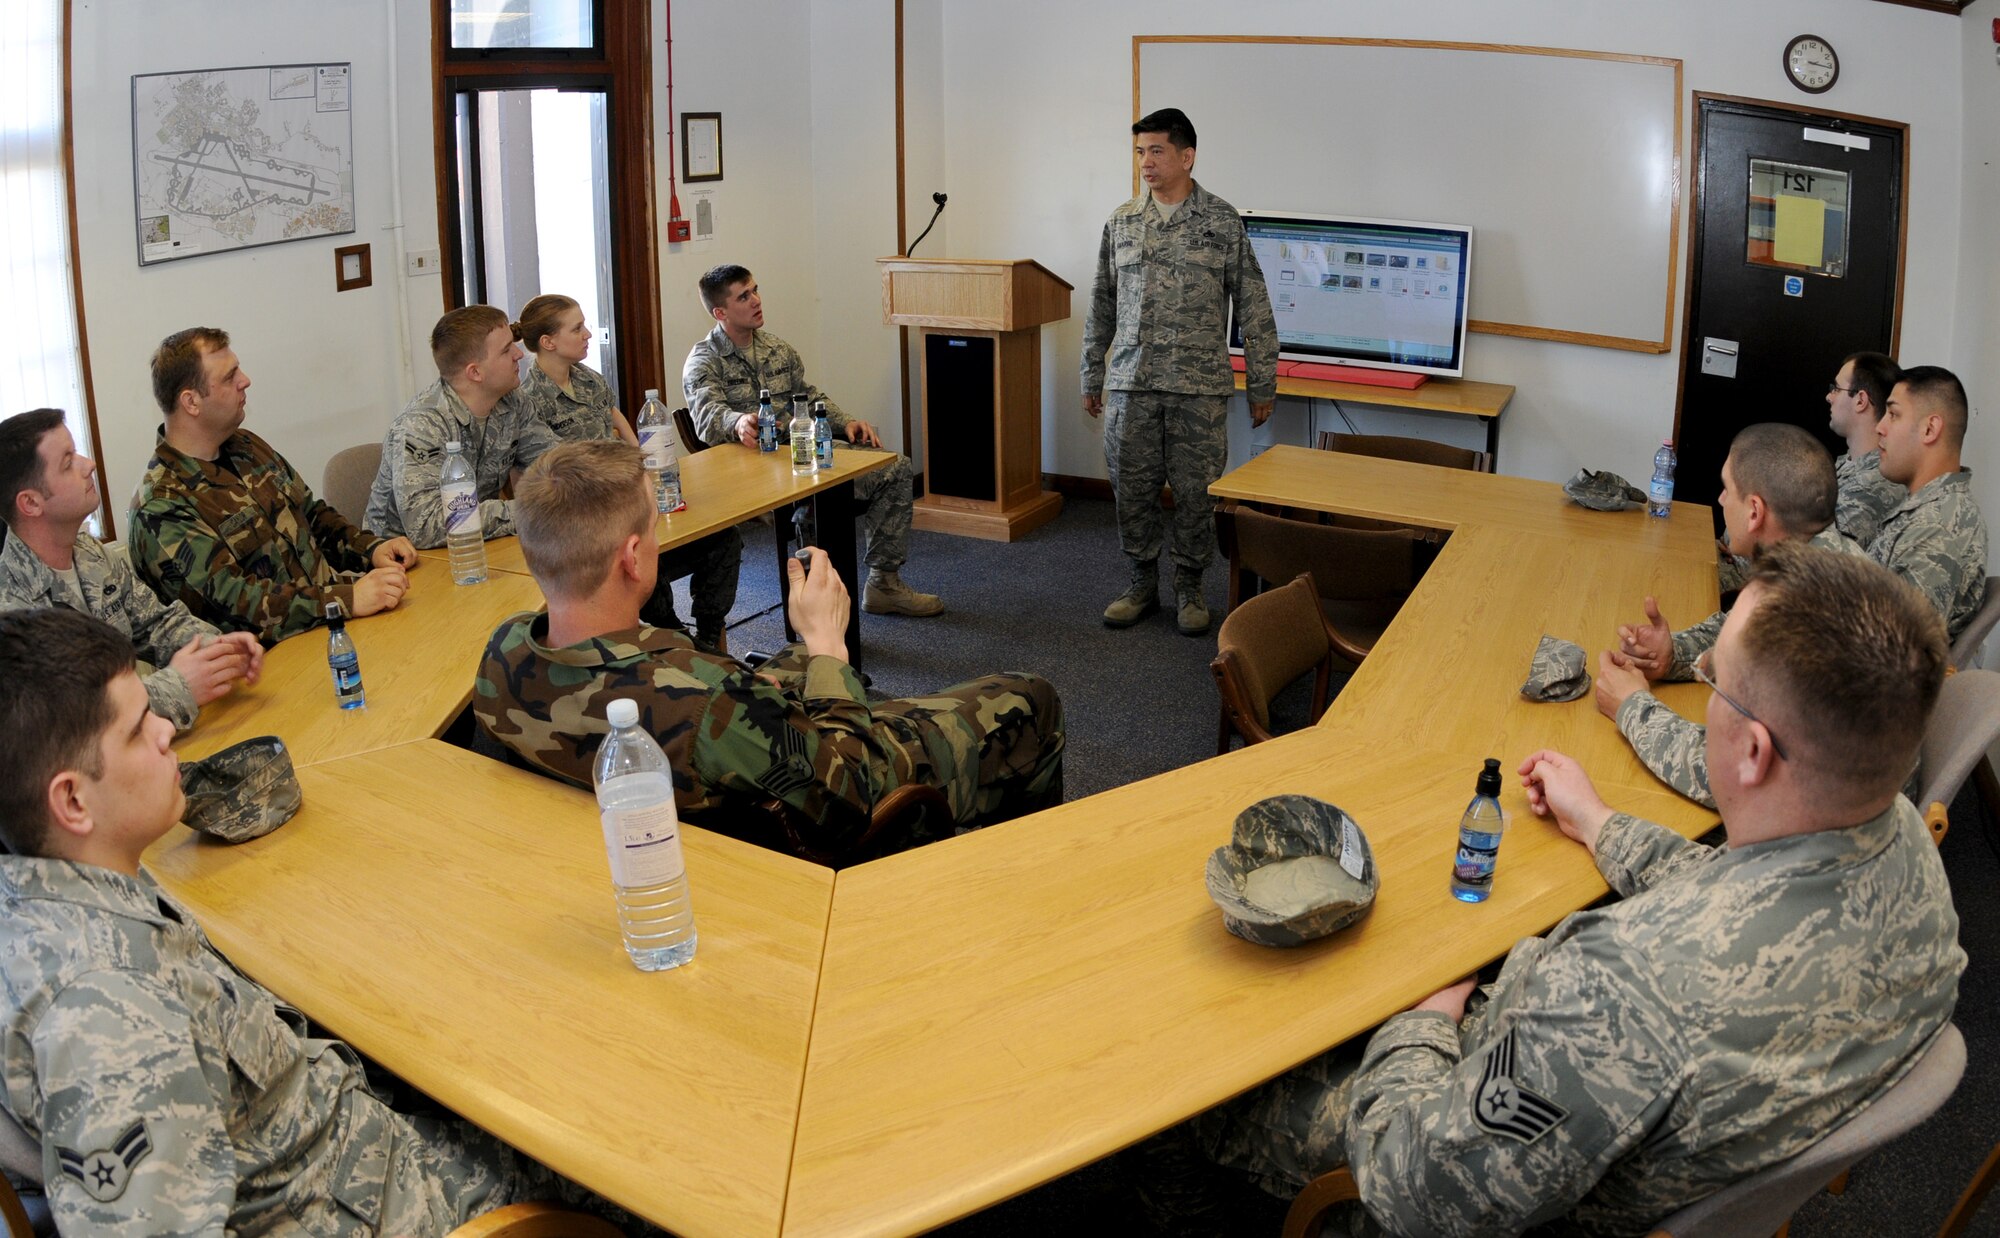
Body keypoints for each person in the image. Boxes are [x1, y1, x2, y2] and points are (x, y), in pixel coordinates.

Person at [1194, 543, 1962, 1235]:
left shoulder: (1624, 992)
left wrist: (1425, 1016)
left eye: (1712, 682)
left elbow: (1414, 1187)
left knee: (1208, 1075)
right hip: (1643, 1116)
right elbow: (1731, 899)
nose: (1704, 688)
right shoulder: (1901, 844)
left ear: (1753, 751)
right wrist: (1598, 823)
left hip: (1503, 1160)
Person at [0, 608, 643, 1236]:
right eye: (139, 729)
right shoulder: (105, 1008)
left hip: (339, 1132)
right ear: (73, 799)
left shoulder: (70, 885)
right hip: (365, 1198)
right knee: (630, 1171)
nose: (167, 731)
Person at [473, 441, 1064, 861]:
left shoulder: (504, 651)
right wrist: (829, 646)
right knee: (1030, 697)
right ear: (632, 556)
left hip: (675, 811)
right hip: (834, 801)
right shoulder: (709, 703)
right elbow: (849, 791)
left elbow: (701, 691)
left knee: (789, 664)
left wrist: (786, 674)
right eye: (655, 526)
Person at [1080, 106, 1278, 636]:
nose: (1146, 162)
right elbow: (1101, 302)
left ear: (1186, 156)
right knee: (1132, 488)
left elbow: (1254, 305)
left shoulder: (1221, 221)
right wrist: (1091, 376)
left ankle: (1190, 586)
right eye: (1140, 151)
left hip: (1198, 388)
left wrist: (1262, 381)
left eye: (1157, 150)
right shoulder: (1121, 222)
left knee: (1197, 493)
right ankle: (1140, 581)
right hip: (1132, 384)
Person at [1597, 423, 1865, 808]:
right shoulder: (1826, 561)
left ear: (1754, 511)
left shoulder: (1801, 618)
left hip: (1813, 836)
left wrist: (1631, 707)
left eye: (1727, 489)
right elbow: (1734, 627)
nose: (1721, 499)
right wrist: (1672, 654)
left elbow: (1731, 774)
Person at [128, 327, 421, 644]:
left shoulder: (245, 446)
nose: (245, 380)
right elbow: (233, 602)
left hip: (334, 629)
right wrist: (346, 600)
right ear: (191, 401)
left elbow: (311, 515)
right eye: (229, 377)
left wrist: (370, 549)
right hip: (270, 663)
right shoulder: (161, 505)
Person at [681, 264, 944, 618]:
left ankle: (883, 584)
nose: (757, 300)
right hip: (754, 465)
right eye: (744, 296)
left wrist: (845, 421)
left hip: (803, 452)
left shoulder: (777, 349)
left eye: (756, 290)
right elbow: (706, 416)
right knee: (814, 500)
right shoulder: (704, 360)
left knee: (894, 468)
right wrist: (738, 421)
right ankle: (814, 601)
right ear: (720, 312)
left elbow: (808, 395)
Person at [0, 409, 260, 732]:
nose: (88, 465)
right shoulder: (11, 611)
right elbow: (71, 719)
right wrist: (180, 684)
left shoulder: (89, 553)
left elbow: (157, 623)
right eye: (68, 463)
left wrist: (218, 651)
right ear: (31, 503)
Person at [516, 293, 742, 654]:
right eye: (578, 328)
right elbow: (534, 477)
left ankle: (708, 636)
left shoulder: (588, 379)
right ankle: (671, 638)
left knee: (723, 539)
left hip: (626, 499)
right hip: (587, 526)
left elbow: (618, 421)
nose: (588, 333)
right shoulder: (528, 400)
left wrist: (644, 466)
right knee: (637, 558)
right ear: (549, 342)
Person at [364, 305, 559, 549]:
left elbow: (559, 463)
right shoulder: (422, 425)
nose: (518, 355)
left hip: (476, 546)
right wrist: (529, 510)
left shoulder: (513, 401)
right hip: (405, 563)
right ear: (475, 372)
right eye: (506, 350)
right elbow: (425, 526)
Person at [1869, 364, 1989, 643]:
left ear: (1929, 429)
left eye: (1893, 414)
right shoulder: (1927, 511)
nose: (1879, 427)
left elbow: (1893, 649)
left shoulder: (1940, 526)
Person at [1827, 349, 1906, 547]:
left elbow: (1819, 561)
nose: (1829, 397)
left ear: (1860, 400)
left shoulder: (1873, 486)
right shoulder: (1849, 464)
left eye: (1836, 388)